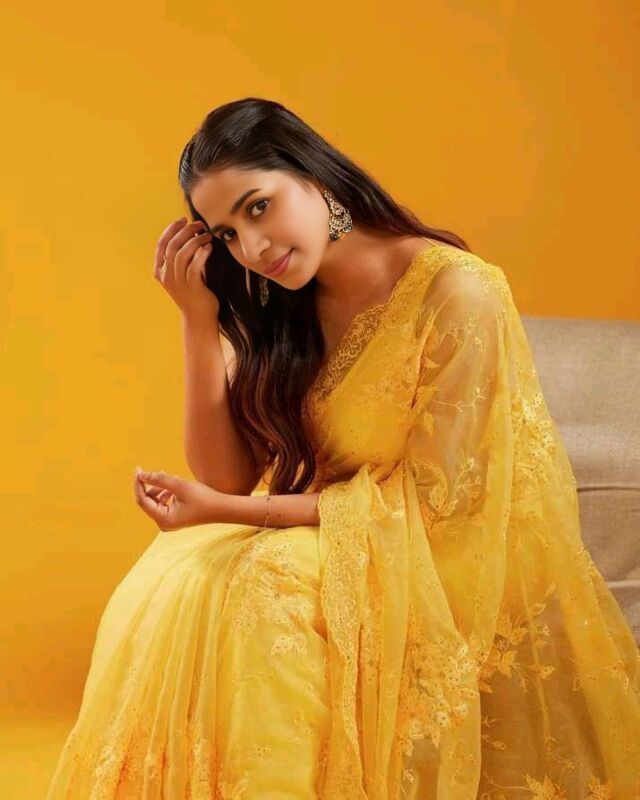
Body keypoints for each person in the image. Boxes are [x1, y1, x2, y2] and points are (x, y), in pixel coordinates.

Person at [46, 97, 640, 799]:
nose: (252, 247)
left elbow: (443, 506)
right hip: (338, 536)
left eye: (259, 207)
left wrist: (232, 511)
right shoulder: (280, 302)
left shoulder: (457, 290)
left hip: (439, 557)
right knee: (178, 572)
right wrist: (198, 321)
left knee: (267, 582)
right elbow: (226, 476)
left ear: (315, 174)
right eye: (227, 233)